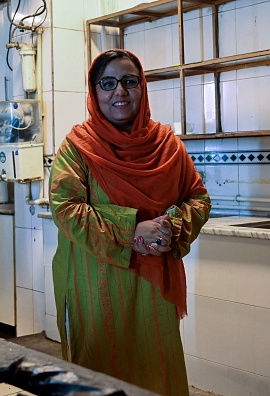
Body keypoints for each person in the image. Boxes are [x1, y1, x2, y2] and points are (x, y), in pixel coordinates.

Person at [49, 49, 211, 395]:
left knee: (155, 372)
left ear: (142, 88)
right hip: (96, 284)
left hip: (153, 288)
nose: (119, 92)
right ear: (94, 91)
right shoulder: (77, 147)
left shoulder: (167, 146)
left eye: (129, 82)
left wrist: (173, 226)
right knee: (100, 374)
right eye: (108, 83)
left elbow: (198, 198)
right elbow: (65, 207)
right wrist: (131, 230)